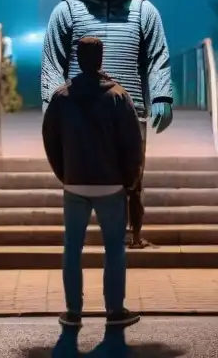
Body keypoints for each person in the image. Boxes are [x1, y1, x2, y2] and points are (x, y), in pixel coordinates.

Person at [41, 0, 175, 250]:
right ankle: (81, 235)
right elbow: (52, 59)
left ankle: (133, 235)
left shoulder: (143, 10)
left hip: (128, 108)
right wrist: (53, 100)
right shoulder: (65, 12)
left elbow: (157, 55)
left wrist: (162, 95)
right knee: (81, 171)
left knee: (133, 175)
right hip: (79, 107)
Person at [42, 36, 144, 330]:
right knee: (114, 248)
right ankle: (114, 310)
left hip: (75, 183)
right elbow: (132, 144)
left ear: (78, 59)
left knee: (72, 247)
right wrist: (129, 179)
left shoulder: (62, 97)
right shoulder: (117, 95)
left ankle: (73, 312)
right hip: (110, 184)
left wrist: (64, 173)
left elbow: (50, 138)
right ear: (100, 59)